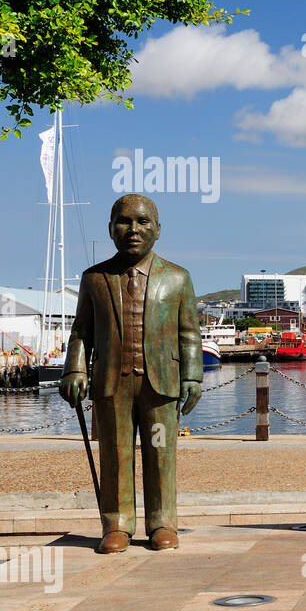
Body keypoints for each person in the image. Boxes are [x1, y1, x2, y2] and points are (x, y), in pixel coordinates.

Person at [60, 195, 201, 553]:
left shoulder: (178, 278)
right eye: (124, 222)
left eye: (143, 222)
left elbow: (189, 333)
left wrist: (193, 377)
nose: (133, 229)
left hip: (161, 385)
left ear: (157, 230)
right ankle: (117, 524)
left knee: (160, 452)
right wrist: (75, 368)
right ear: (111, 229)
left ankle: (162, 522)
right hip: (112, 382)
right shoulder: (95, 278)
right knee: (116, 454)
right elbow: (82, 331)